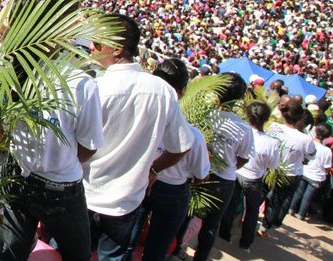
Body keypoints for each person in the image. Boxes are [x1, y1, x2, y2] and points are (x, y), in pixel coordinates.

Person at [0, 0, 103, 261]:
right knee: (78, 255)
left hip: (16, 170)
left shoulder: (4, 62)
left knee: (14, 250)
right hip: (60, 186)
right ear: (65, 24)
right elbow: (89, 146)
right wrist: (61, 157)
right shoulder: (80, 83)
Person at [84, 14, 193, 261]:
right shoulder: (162, 90)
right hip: (127, 200)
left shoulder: (95, 88)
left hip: (86, 193)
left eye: (97, 43)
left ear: (117, 49)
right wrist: (152, 169)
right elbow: (181, 146)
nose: (91, 47)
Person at [140, 59, 209, 261]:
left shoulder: (139, 119)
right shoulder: (194, 136)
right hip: (173, 192)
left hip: (139, 181)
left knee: (128, 236)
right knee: (158, 245)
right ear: (183, 91)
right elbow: (201, 176)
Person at [192, 73, 252, 261]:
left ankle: (177, 247)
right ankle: (200, 258)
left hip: (198, 172)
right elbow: (243, 158)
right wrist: (229, 165)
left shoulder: (204, 115)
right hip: (223, 180)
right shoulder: (243, 128)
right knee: (211, 223)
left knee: (187, 214)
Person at [221, 101, 280, 251]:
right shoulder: (271, 143)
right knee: (251, 211)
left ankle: (224, 235)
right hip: (254, 178)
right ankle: (245, 243)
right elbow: (273, 165)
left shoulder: (240, 131)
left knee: (230, 205)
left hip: (236, 172)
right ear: (266, 119)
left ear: (248, 115)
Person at [260, 98, 316, 235]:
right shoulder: (305, 138)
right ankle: (264, 228)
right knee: (277, 202)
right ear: (300, 117)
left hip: (269, 167)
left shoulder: (274, 127)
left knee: (260, 194)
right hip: (290, 174)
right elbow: (312, 153)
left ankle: (246, 217)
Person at [288, 123, 332, 220]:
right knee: (308, 196)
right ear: (328, 136)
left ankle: (291, 209)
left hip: (304, 171)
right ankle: (301, 215)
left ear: (315, 132)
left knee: (298, 192)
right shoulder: (327, 151)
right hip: (316, 177)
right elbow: (327, 166)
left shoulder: (309, 143)